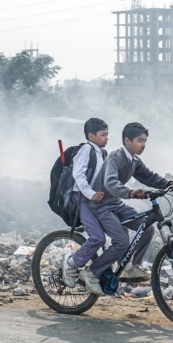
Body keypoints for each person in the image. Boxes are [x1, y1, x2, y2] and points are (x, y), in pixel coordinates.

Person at [84, 122, 173, 285]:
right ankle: (91, 271)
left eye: (145, 141)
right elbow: (110, 182)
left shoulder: (134, 161)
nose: (143, 145)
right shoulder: (116, 157)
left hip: (116, 204)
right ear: (127, 141)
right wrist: (130, 193)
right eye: (140, 141)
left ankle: (132, 267)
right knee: (122, 241)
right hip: (101, 206)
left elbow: (149, 177)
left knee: (147, 228)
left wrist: (168, 183)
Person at [62, 117, 109, 295]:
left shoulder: (102, 153)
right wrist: (91, 194)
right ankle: (72, 263)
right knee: (98, 238)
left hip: (97, 200)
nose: (107, 138)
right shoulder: (86, 150)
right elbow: (78, 176)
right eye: (103, 135)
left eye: (107, 134)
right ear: (91, 135)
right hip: (82, 199)